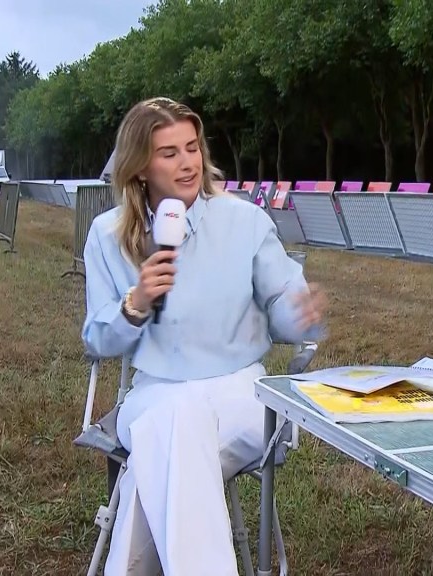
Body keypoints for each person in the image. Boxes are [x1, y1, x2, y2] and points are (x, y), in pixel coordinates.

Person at [81, 96, 328, 576]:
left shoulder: (244, 220)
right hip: (153, 393)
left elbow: (283, 305)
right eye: (169, 152)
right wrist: (135, 304)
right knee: (177, 417)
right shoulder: (107, 235)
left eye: (192, 148)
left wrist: (301, 315)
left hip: (242, 393)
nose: (187, 162)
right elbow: (97, 341)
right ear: (140, 167)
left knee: (162, 447)